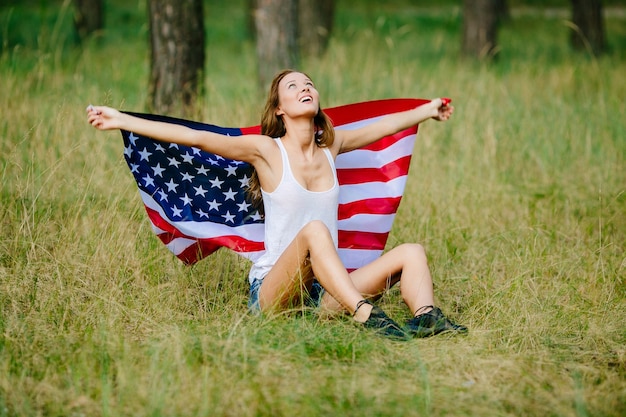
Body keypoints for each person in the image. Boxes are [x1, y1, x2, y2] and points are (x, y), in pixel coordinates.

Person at [87, 69, 467, 340]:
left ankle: (426, 318)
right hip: (274, 292)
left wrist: (428, 111)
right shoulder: (267, 151)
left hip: (325, 293)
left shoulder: (330, 147)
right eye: (293, 85)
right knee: (315, 232)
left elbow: (378, 128)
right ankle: (366, 314)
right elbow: (195, 137)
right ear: (279, 108)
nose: (305, 87)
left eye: (309, 84)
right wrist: (124, 119)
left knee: (412, 252)